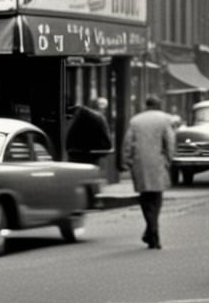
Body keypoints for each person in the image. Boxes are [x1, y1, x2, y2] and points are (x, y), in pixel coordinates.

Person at [123, 95, 176, 250]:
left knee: (145, 198)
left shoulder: (135, 121)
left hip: (140, 163)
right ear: (159, 105)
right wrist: (169, 159)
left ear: (146, 105)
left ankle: (150, 231)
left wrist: (128, 160)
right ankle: (153, 231)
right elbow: (170, 141)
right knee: (157, 197)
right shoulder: (165, 119)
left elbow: (128, 142)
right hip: (158, 162)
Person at [66, 97, 113, 165]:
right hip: (90, 160)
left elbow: (68, 143)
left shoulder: (78, 117)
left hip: (74, 159)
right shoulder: (100, 119)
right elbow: (108, 145)